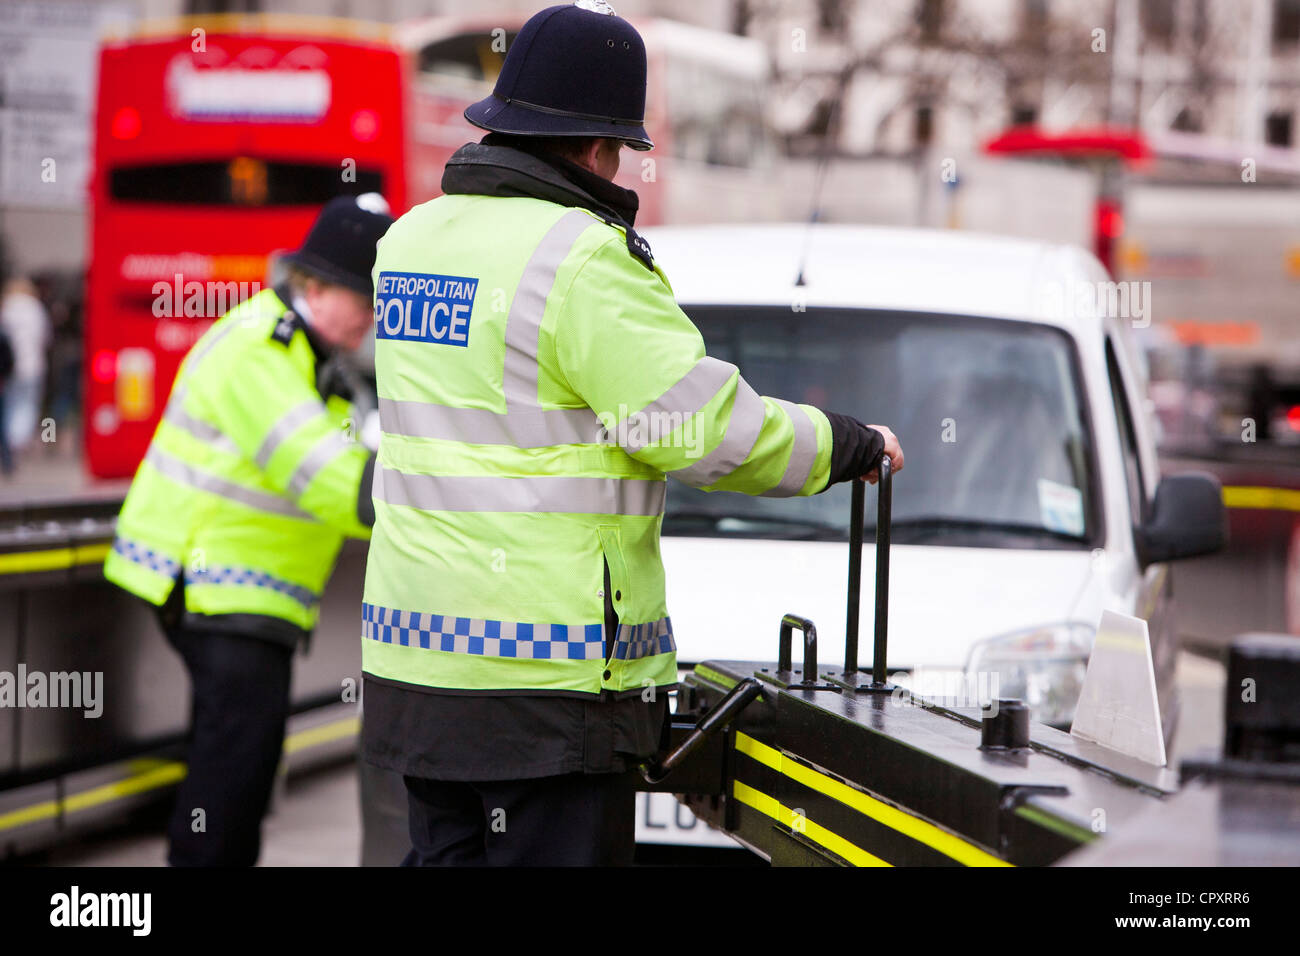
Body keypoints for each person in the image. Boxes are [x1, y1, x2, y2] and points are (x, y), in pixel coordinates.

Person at [361, 1, 904, 867]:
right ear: (595, 146)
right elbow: (704, 431)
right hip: (547, 687)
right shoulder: (581, 260)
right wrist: (845, 444)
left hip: (418, 671)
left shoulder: (410, 241)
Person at [104, 194, 394, 866]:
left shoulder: (313, 356)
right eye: (366, 300)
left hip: (248, 596)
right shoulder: (257, 349)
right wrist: (433, 495)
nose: (373, 319)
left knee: (242, 769)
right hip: (214, 587)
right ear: (314, 286)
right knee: (232, 776)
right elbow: (326, 476)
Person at [0, 276, 50, 457]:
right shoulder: (36, 308)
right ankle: (19, 440)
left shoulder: (6, 308)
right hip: (33, 365)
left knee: (10, 403)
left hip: (9, 366)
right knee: (28, 404)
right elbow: (46, 337)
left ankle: (10, 440)